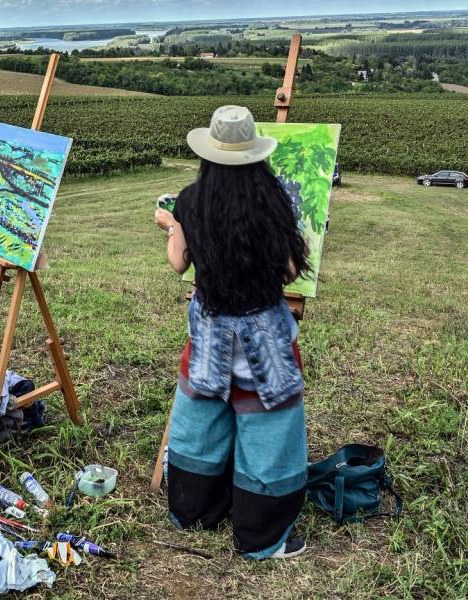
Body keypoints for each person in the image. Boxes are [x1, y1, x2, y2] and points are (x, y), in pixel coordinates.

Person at [153, 106, 311, 559]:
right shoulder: (275, 200)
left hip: (209, 331)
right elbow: (290, 270)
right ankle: (262, 537)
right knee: (269, 430)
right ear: (254, 155)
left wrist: (172, 228)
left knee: (200, 420)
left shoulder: (190, 200)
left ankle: (195, 511)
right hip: (266, 335)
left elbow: (179, 263)